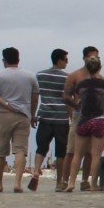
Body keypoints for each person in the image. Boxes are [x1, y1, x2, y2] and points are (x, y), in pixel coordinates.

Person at [0, 47, 37, 193]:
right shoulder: (29, 76)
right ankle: (17, 183)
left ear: (4, 60)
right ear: (18, 59)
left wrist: (4, 103)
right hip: (23, 115)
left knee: (1, 150)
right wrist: (33, 115)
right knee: (20, 150)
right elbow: (35, 96)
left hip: (4, 114)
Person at [69, 57, 104, 191]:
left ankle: (71, 183)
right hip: (100, 119)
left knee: (77, 154)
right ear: (100, 67)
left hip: (84, 119)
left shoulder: (81, 85)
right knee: (96, 155)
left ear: (86, 68)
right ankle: (93, 184)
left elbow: (76, 99)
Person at [31, 48, 71, 192]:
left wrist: (33, 114)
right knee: (61, 152)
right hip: (61, 117)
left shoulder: (40, 75)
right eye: (66, 59)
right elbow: (69, 99)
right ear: (59, 60)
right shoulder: (68, 78)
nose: (67, 62)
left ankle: (36, 171)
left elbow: (35, 95)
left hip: (45, 115)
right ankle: (59, 182)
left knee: (41, 147)